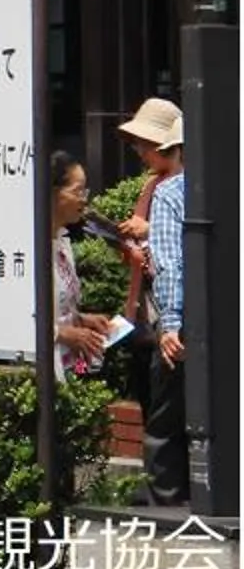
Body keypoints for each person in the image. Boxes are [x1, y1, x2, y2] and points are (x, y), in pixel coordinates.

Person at [116, 98, 187, 504]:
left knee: (165, 411)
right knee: (156, 401)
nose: (140, 151)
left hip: (167, 314)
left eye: (145, 143)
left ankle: (166, 496)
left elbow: (171, 262)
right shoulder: (152, 186)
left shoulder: (170, 191)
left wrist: (172, 321)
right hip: (149, 310)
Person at [48, 150, 113, 381]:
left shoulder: (63, 242)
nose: (84, 199)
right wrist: (63, 334)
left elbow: (60, 308)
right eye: (77, 191)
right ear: (54, 193)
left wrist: (82, 319)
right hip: (51, 368)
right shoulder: (31, 251)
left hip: (73, 364)